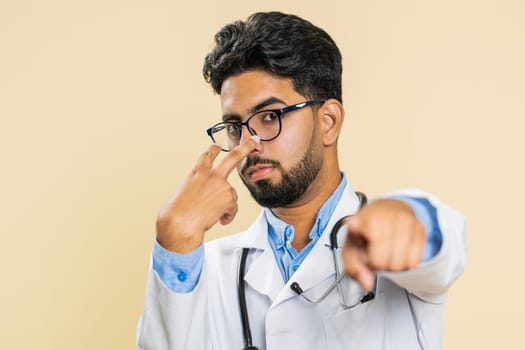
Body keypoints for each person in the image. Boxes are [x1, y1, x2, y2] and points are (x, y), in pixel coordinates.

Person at [136, 11, 466, 350]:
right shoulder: (206, 270)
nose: (249, 144)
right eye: (235, 126)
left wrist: (408, 219)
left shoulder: (394, 256)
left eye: (269, 117)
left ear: (328, 121)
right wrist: (174, 239)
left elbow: (440, 248)